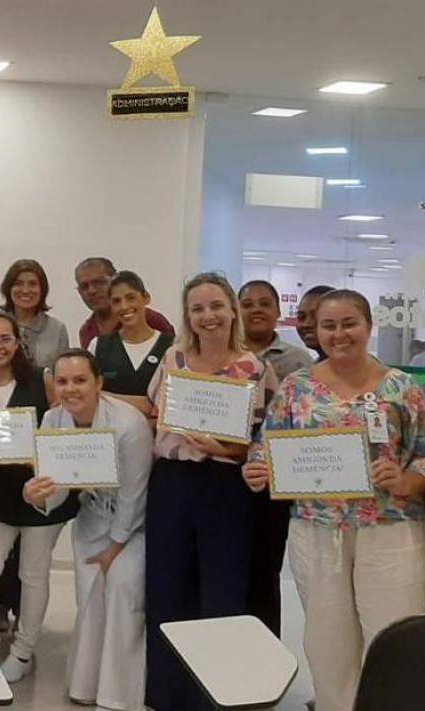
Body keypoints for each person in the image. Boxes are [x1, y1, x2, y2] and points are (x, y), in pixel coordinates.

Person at [242, 289, 425, 711]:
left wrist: (405, 481)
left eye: (349, 323)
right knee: (327, 642)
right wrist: (256, 468)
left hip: (390, 529)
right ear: (317, 332)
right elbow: (265, 447)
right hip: (317, 530)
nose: (339, 334)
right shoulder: (297, 388)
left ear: (369, 327)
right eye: (329, 326)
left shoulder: (401, 388)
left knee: (393, 638)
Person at [144, 273, 277, 711]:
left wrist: (229, 449)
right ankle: (170, 697)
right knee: (167, 589)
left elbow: (265, 440)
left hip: (228, 489)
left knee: (223, 594)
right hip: (173, 484)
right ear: (187, 316)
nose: (208, 316)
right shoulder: (173, 359)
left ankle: (215, 699)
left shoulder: (256, 368)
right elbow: (155, 414)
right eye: (198, 308)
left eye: (217, 306)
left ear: (232, 310)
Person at [24, 350, 152, 708]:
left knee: (123, 592)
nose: (70, 389)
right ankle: (85, 685)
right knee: (90, 600)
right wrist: (33, 494)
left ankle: (120, 694)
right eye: (62, 381)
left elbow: (134, 493)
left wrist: (115, 547)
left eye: (80, 380)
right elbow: (55, 487)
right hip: (91, 518)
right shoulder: (52, 421)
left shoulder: (129, 424)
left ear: (99, 383)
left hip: (135, 525)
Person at [0, 311, 65, 682]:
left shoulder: (42, 379)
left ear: (17, 343)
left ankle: (23, 651)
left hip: (41, 494)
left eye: (5, 338)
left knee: (33, 574)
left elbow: (60, 427)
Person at [237, 278, 313, 634]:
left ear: (277, 311)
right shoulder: (224, 355)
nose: (256, 309)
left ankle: (265, 654)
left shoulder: (298, 360)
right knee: (230, 566)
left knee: (265, 568)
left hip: (274, 479)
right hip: (226, 471)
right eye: (247, 303)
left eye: (264, 303)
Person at [88, 271, 175, 419]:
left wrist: (104, 396)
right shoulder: (98, 346)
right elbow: (88, 394)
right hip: (113, 437)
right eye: (116, 301)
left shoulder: (172, 347)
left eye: (131, 298)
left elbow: (172, 409)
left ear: (146, 298)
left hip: (158, 440)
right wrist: (139, 404)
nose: (124, 306)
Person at [74, 257, 174, 349]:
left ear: (114, 281)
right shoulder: (87, 331)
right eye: (84, 286)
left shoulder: (150, 319)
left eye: (99, 282)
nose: (92, 291)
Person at [1, 259, 69, 371]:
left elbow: (63, 373)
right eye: (18, 284)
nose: (25, 290)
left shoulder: (57, 329)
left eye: (32, 284)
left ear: (42, 290)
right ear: (8, 288)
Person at [295, 284, 335, 359]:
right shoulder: (315, 368)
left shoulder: (356, 369)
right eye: (301, 317)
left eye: (316, 316)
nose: (306, 324)